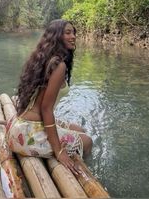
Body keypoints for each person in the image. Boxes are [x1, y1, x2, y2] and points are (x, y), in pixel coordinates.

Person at [6, 19, 92, 174]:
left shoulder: (44, 58)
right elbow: (46, 109)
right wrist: (59, 152)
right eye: (67, 33)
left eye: (74, 33)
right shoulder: (59, 65)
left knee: (78, 128)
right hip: (26, 136)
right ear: (56, 36)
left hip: (19, 126)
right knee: (87, 141)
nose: (73, 36)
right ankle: (86, 171)